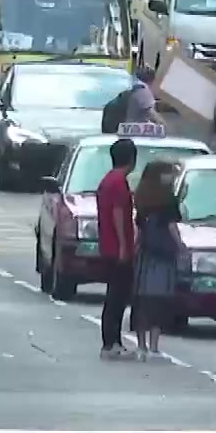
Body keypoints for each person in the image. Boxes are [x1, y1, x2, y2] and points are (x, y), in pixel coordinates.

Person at [130, 159, 182, 360]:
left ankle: (141, 345)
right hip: (163, 254)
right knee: (160, 298)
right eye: (168, 173)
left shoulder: (142, 198)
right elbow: (171, 226)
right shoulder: (167, 199)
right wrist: (180, 246)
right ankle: (154, 346)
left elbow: (140, 228)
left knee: (142, 299)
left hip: (145, 254)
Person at [94, 137, 138, 359]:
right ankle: (111, 342)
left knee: (115, 295)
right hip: (117, 248)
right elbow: (118, 215)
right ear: (131, 158)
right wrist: (123, 246)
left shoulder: (107, 181)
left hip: (108, 246)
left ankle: (112, 340)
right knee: (117, 297)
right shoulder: (119, 183)